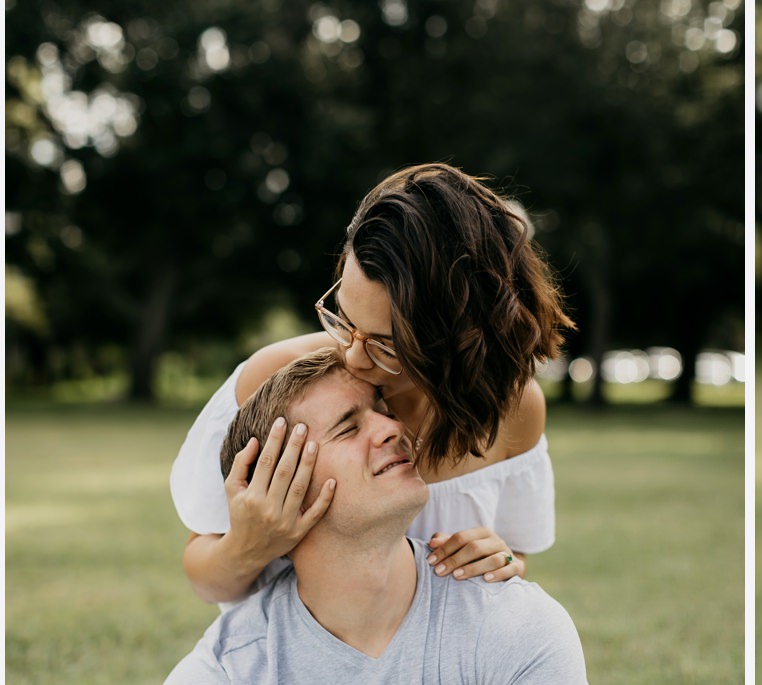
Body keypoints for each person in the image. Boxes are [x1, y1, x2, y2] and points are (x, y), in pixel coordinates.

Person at [89, 350, 601, 685]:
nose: (395, 428)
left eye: (382, 409)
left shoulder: (516, 622)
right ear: (279, 483)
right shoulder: (228, 672)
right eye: (348, 427)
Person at [172, 163, 566, 621]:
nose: (354, 359)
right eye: (345, 319)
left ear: (467, 334)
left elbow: (514, 557)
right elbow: (205, 577)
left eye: (388, 344)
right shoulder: (277, 383)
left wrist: (499, 560)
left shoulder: (514, 409)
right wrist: (248, 545)